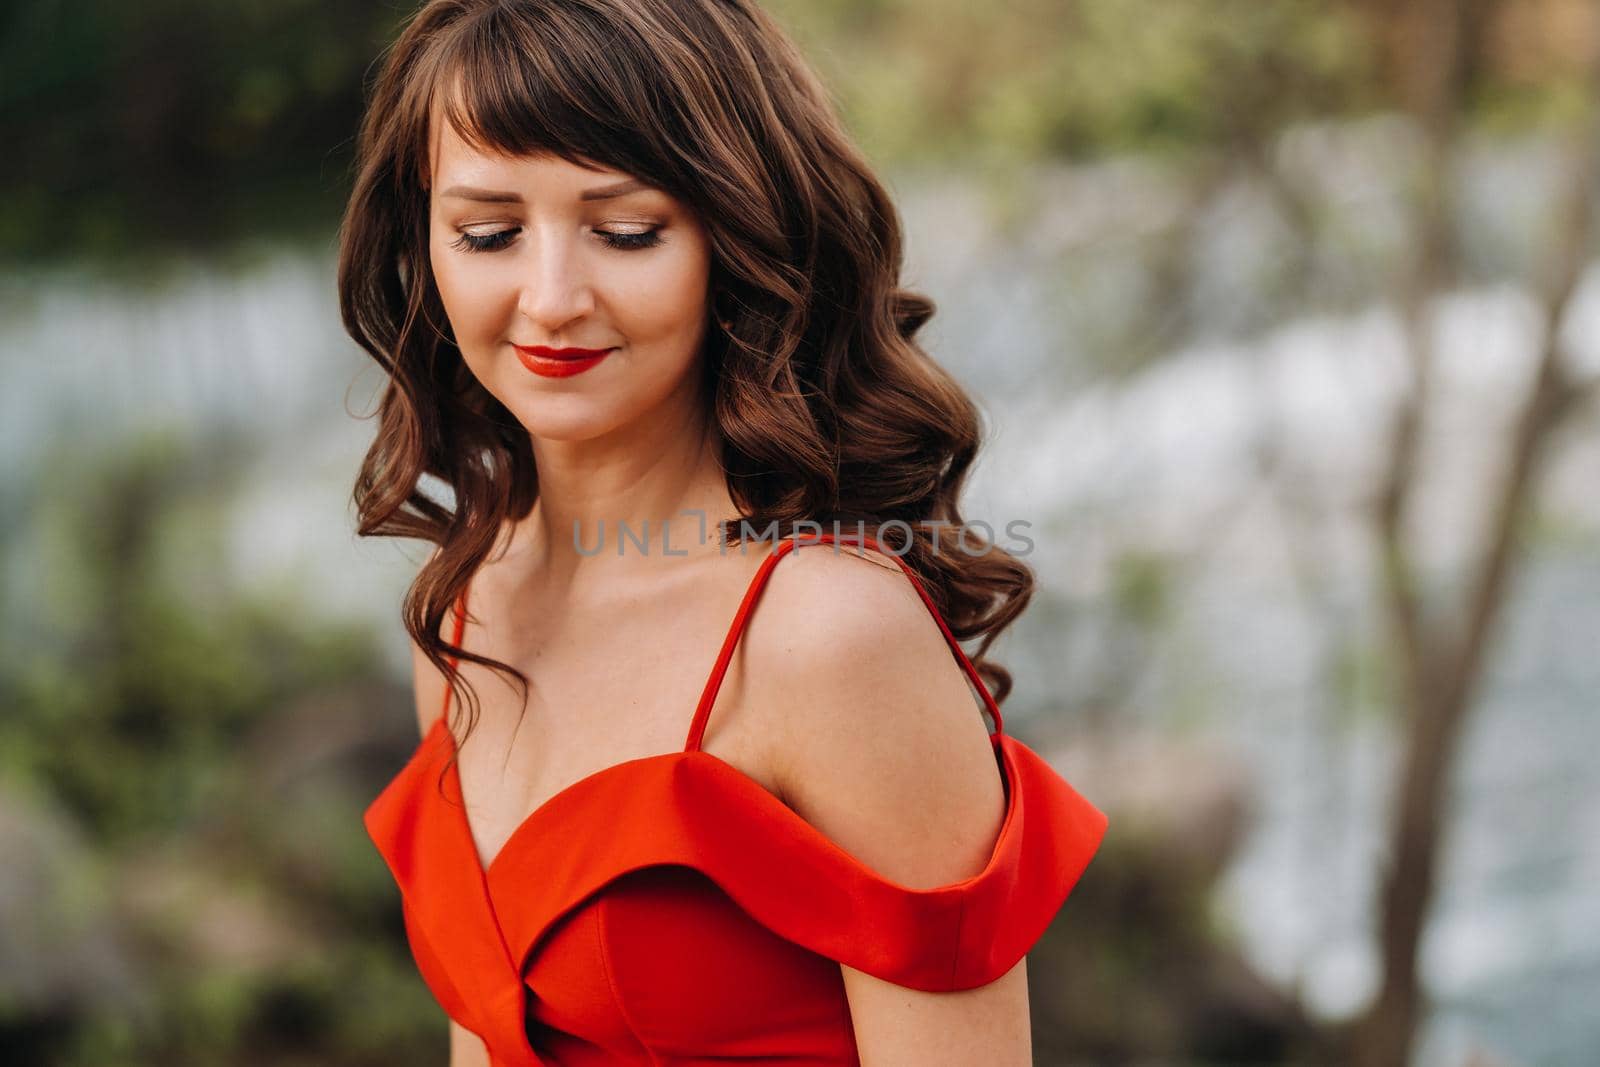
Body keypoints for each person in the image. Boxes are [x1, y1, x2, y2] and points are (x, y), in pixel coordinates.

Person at [337, 1, 1108, 1063]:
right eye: (488, 232)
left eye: (626, 231)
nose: (550, 297)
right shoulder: (468, 605)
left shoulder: (828, 635)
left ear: (734, 239)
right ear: (425, 248)